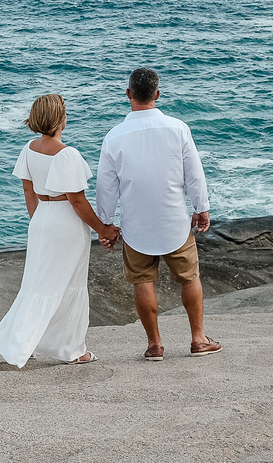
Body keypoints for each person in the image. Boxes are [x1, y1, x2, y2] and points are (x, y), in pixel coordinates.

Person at [0, 94, 121, 367]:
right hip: (64, 223)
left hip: (41, 219)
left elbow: (27, 189)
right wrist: (103, 229)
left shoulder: (29, 148)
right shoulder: (67, 154)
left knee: (36, 284)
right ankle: (73, 349)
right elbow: (77, 200)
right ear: (60, 119)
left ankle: (23, 341)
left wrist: (39, 220)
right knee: (70, 285)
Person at [95, 68, 221, 361]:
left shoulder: (114, 137)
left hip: (136, 226)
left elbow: (106, 186)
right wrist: (201, 208)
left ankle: (154, 345)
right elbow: (194, 175)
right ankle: (198, 339)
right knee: (190, 278)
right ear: (157, 95)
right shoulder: (178, 128)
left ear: (128, 95)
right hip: (174, 221)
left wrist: (106, 225)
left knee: (143, 281)